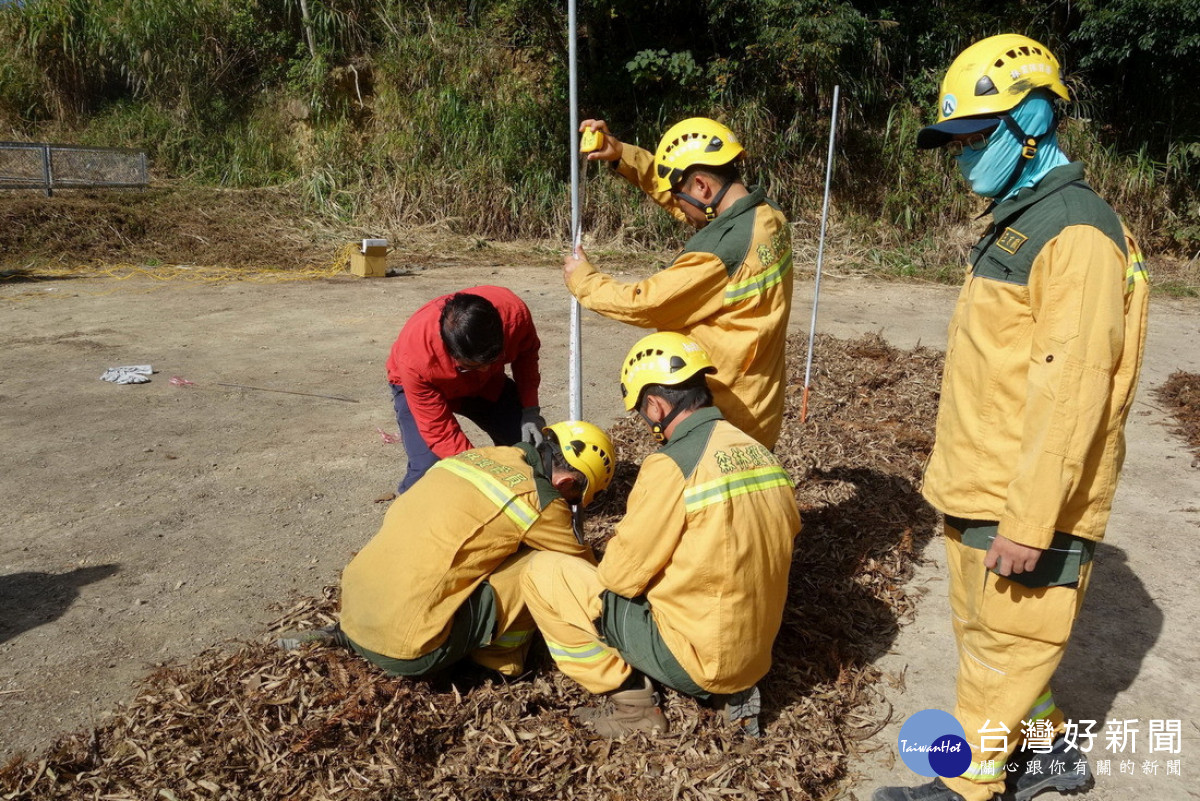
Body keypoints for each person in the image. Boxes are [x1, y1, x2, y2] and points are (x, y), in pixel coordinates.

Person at [873, 34, 1149, 801]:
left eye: (973, 137)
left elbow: (1073, 391)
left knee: (1004, 643)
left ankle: (968, 787)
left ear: (1031, 118)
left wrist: (1031, 520)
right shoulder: (1023, 217)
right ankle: (1051, 748)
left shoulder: (1077, 231)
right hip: (982, 480)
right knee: (990, 635)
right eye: (955, 142)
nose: (962, 156)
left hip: (1022, 498)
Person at [521, 332, 801, 736]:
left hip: (696, 659)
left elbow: (619, 577)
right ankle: (734, 687)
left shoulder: (672, 465)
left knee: (543, 572)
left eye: (642, 412)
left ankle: (634, 709)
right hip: (754, 655)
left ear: (655, 405)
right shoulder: (760, 453)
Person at [278, 421, 616, 679]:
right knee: (542, 564)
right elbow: (579, 575)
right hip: (409, 650)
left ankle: (338, 638)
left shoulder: (484, 456)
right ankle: (498, 666)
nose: (570, 506)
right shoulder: (542, 500)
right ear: (567, 483)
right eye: (576, 501)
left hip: (354, 611)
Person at [564, 117, 793, 449]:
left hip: (724, 415)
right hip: (760, 402)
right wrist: (622, 156)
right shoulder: (767, 216)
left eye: (678, 191)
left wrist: (584, 280)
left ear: (701, 186)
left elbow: (647, 303)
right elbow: (690, 207)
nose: (675, 202)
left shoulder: (718, 255)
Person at [386, 286, 545, 495]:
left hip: (485, 384)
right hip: (422, 389)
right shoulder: (417, 356)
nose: (485, 367)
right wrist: (482, 471)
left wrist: (530, 409)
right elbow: (439, 431)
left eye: (492, 359)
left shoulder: (514, 314)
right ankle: (409, 512)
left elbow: (526, 356)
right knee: (429, 469)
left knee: (531, 447)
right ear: (451, 351)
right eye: (472, 364)